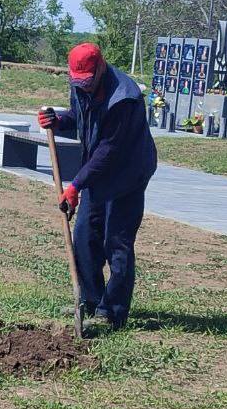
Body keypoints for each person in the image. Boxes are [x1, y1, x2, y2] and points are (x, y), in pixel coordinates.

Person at [37, 42, 157, 332]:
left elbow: (109, 150)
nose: (84, 87)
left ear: (101, 66)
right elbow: (80, 117)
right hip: (97, 173)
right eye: (78, 82)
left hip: (127, 174)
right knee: (84, 236)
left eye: (88, 82)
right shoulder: (80, 85)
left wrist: (76, 185)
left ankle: (112, 312)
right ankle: (90, 300)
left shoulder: (124, 98)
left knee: (116, 242)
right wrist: (58, 120)